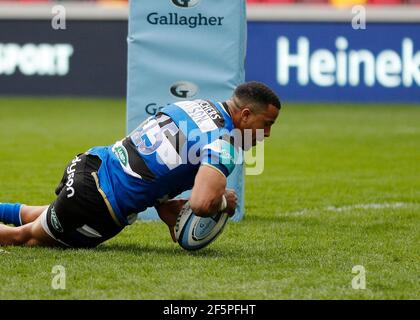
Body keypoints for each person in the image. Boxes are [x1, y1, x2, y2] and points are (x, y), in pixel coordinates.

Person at [0, 81, 281, 248]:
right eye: (266, 125)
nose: (267, 134)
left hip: (90, 163)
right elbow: (201, 204)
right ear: (244, 115)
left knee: (33, 214)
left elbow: (159, 164)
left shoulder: (194, 105)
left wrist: (167, 206)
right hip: (98, 204)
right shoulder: (224, 143)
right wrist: (223, 202)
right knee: (24, 238)